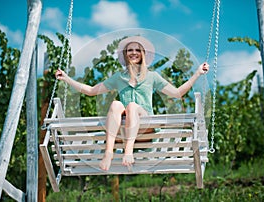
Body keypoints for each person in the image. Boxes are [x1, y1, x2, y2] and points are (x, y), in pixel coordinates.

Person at [55, 35, 209, 171]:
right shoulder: (119, 77)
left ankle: (128, 152)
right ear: (125, 54)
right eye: (130, 50)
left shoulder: (152, 76)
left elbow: (177, 93)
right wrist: (66, 78)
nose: (133, 52)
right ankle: (108, 153)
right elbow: (91, 91)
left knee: (132, 106)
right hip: (124, 129)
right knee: (116, 104)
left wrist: (197, 73)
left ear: (142, 54)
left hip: (146, 127)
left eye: (137, 50)